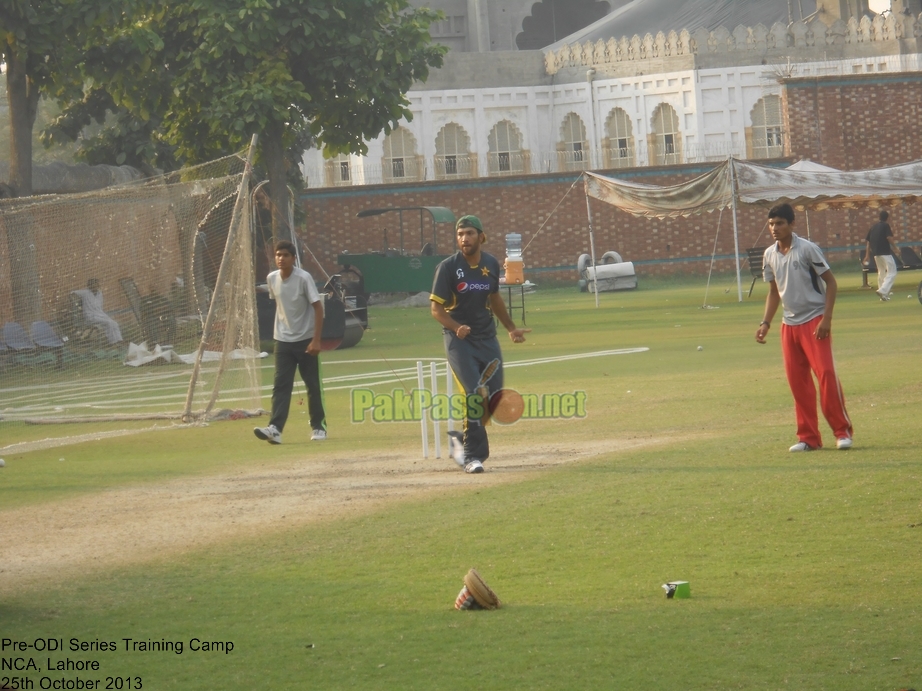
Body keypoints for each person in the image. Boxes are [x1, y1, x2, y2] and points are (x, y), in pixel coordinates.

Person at [429, 215, 531, 473]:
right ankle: (473, 456)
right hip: (458, 340)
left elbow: (494, 297)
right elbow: (436, 309)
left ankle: (459, 440)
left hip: (487, 337)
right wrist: (455, 327)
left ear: (481, 236)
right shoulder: (448, 267)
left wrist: (510, 328)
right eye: (461, 234)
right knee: (475, 394)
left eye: (470, 233)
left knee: (493, 398)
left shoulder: (490, 264)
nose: (465, 238)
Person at [755, 203, 853, 452]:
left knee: (827, 375)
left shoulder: (808, 249)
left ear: (791, 224)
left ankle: (842, 432)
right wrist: (765, 323)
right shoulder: (769, 254)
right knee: (798, 383)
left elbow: (831, 283)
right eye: (771, 224)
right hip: (789, 325)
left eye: (779, 223)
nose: (774, 228)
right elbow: (774, 292)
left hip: (814, 321)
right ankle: (808, 438)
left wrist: (826, 319)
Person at [254, 240, 327, 445]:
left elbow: (318, 307)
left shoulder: (304, 278)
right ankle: (275, 428)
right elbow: (280, 304)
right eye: (278, 255)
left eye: (285, 255)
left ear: (294, 258)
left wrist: (316, 340)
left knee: (312, 385)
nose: (281, 258)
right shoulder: (272, 278)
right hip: (283, 340)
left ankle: (318, 426)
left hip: (306, 341)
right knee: (280, 385)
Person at [863, 210, 901, 301]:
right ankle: (883, 290)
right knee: (892, 272)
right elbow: (889, 237)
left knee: (881, 272)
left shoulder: (873, 227)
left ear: (879, 217)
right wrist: (896, 248)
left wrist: (867, 255)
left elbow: (868, 242)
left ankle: (883, 296)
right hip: (885, 253)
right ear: (887, 218)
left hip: (876, 254)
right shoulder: (885, 226)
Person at [72, 278, 124, 344]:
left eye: (97, 284)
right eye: (94, 284)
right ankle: (113, 342)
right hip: (90, 316)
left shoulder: (99, 293)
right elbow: (73, 293)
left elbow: (100, 306)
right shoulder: (85, 293)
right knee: (109, 323)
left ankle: (119, 340)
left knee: (114, 323)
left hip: (100, 314)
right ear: (90, 285)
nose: (96, 286)